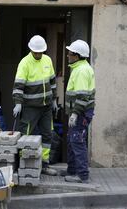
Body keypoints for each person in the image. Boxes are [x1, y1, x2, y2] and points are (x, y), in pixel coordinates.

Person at [12, 35, 58, 176]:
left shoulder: (47, 60)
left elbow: (52, 81)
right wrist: (18, 103)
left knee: (47, 135)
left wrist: (54, 100)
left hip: (46, 107)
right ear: (31, 50)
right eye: (36, 52)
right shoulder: (24, 63)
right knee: (25, 134)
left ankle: (44, 164)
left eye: (40, 52)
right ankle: (22, 164)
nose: (38, 54)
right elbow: (18, 86)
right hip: (30, 107)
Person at [61, 40, 95, 183]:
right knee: (72, 141)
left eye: (70, 53)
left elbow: (82, 97)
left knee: (77, 142)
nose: (68, 55)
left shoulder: (81, 71)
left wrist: (75, 114)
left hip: (80, 113)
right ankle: (72, 170)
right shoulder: (80, 68)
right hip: (79, 112)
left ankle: (82, 175)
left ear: (77, 55)